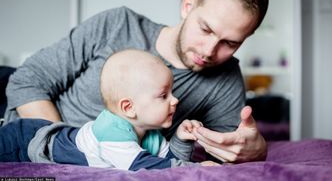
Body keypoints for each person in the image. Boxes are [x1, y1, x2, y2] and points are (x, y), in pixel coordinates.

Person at [4, 0, 269, 163]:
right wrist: (66, 148)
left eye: (230, 43)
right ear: (188, 6)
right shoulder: (117, 24)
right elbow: (27, 81)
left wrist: (256, 151)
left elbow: (224, 154)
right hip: (26, 128)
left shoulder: (225, 79)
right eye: (206, 29)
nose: (210, 51)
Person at [0, 49, 218, 170]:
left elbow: (168, 160)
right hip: (26, 140)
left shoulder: (150, 132)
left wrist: (181, 140)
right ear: (129, 107)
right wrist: (196, 170)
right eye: (164, 96)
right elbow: (141, 165)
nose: (176, 100)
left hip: (44, 133)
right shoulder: (111, 130)